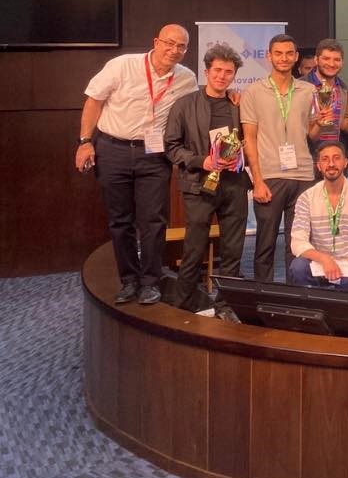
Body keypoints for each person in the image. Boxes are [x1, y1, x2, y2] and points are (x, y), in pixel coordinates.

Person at [77, 23, 197, 304]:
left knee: (153, 220)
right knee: (120, 220)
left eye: (181, 46)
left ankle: (151, 281)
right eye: (169, 43)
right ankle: (129, 279)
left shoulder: (186, 79)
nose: (174, 50)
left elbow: (195, 112)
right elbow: (94, 101)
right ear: (156, 42)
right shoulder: (122, 65)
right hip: (112, 150)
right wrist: (84, 141)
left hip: (154, 156)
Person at [164, 42, 250, 311]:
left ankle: (226, 305)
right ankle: (184, 304)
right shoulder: (185, 105)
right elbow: (171, 147)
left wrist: (242, 156)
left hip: (234, 184)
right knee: (194, 248)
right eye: (217, 70)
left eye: (228, 72)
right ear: (206, 71)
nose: (222, 76)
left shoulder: (239, 105)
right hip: (199, 185)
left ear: (234, 75)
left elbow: (251, 141)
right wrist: (203, 161)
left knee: (234, 249)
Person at [240, 33, 321, 283]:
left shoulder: (309, 90)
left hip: (303, 175)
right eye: (278, 53)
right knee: (265, 242)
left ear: (296, 57)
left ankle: (294, 294)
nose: (283, 58)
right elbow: (249, 138)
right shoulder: (253, 92)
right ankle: (263, 294)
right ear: (269, 56)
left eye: (288, 53)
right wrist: (257, 180)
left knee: (297, 244)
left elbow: (312, 134)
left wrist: (322, 122)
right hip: (270, 175)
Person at [287, 143, 348, 299]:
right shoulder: (306, 198)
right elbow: (297, 242)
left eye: (336, 158)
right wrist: (324, 259)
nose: (331, 164)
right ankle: (312, 305)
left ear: (345, 162)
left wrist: (347, 264)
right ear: (319, 166)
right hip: (319, 265)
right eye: (325, 159)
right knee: (298, 267)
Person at [301, 38, 348, 151]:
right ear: (316, 60)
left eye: (337, 60)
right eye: (326, 59)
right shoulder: (300, 86)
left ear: (342, 62)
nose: (331, 64)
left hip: (333, 157)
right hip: (306, 155)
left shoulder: (343, 89)